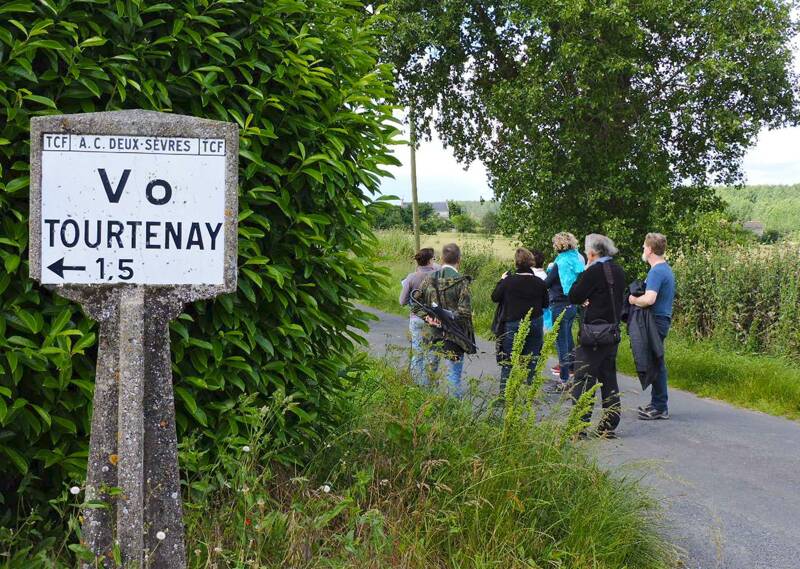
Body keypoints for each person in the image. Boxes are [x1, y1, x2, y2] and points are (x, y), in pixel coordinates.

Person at [568, 234, 626, 438]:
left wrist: (583, 272)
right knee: (608, 377)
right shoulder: (618, 271)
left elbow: (575, 295)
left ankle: (579, 426)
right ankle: (609, 425)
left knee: (584, 377)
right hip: (611, 331)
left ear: (592, 252)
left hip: (593, 332)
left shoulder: (592, 271)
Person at [411, 243, 475, 398]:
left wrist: (428, 318)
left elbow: (415, 305)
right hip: (455, 337)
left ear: (441, 259)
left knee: (429, 374)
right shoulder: (462, 282)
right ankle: (453, 415)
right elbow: (465, 314)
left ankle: (423, 408)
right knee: (453, 377)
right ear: (459, 259)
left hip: (432, 334)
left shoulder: (429, 279)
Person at [491, 248, 549, 398]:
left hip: (512, 322)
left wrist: (501, 280)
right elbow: (545, 304)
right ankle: (527, 395)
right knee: (531, 359)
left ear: (516, 262)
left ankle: (504, 395)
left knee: (508, 360)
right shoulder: (539, 282)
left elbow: (495, 297)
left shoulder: (508, 281)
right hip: (535, 322)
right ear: (531, 262)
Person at [629, 233, 675, 420]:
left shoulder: (656, 271)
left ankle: (659, 405)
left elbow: (649, 299)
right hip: (661, 319)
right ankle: (657, 402)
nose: (643, 250)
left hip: (655, 320)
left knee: (656, 361)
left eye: (643, 247)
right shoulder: (665, 269)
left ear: (649, 250)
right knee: (656, 360)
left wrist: (633, 300)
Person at [544, 232, 585, 388]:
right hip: (572, 305)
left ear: (558, 245)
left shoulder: (559, 264)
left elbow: (547, 284)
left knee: (561, 342)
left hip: (559, 305)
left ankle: (564, 380)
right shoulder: (576, 260)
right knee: (568, 339)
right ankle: (573, 370)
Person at [399, 248, 439, 385]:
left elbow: (402, 301)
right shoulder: (438, 275)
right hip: (434, 319)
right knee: (433, 352)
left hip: (416, 318)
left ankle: (416, 384)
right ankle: (430, 382)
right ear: (430, 260)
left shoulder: (411, 277)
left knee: (418, 351)